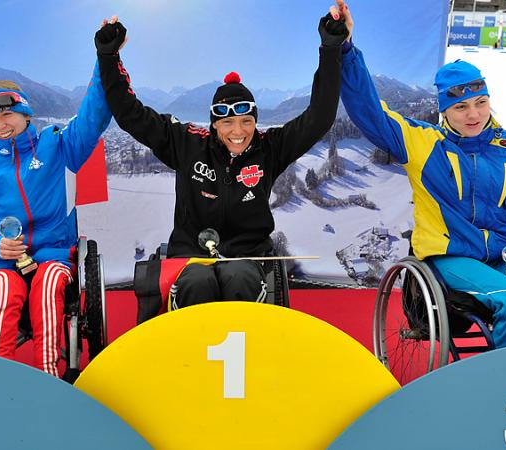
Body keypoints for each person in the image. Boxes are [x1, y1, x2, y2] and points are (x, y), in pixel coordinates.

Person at [334, 0, 506, 348]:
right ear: (444, 110)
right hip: (449, 257)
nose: (473, 115)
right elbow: (369, 112)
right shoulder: (423, 143)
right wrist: (346, 50)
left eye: (480, 103)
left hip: (502, 259)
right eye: (460, 107)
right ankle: (498, 392)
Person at [94, 12, 346, 309]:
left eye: (246, 121)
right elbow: (130, 114)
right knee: (197, 282)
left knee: (238, 277)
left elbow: (319, 117)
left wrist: (330, 49)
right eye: (227, 123)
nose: (238, 132)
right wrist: (109, 56)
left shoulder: (269, 149)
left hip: (247, 258)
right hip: (190, 255)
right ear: (214, 124)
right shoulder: (187, 143)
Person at [0, 42, 112, 376]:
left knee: (49, 285)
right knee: (5, 291)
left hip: (54, 254)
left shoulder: (58, 145)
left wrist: (105, 57)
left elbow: (94, 116)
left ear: (26, 113)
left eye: (7, 114)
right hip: (3, 260)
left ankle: (49, 380)